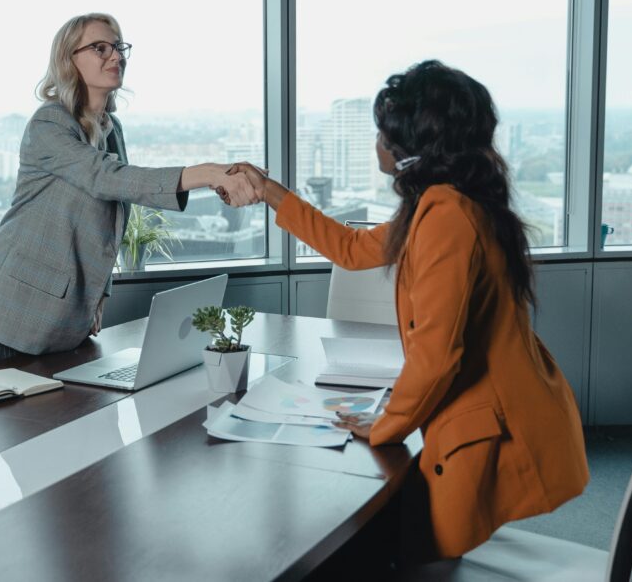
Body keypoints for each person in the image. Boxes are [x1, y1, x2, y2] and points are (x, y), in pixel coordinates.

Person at [228, 60, 588, 561]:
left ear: (407, 151)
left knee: (363, 548)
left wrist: (386, 424)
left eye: (384, 132)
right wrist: (269, 191)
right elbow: (351, 248)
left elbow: (439, 355)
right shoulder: (448, 202)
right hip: (492, 416)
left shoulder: (446, 216)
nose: (377, 140)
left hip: (487, 434)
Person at [0, 13, 259, 361]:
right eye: (100, 48)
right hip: (17, 305)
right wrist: (210, 172)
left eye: (119, 47)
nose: (117, 56)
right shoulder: (49, 123)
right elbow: (107, 177)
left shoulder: (111, 128)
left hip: (72, 312)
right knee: (23, 414)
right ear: (68, 59)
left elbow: (116, 214)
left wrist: (99, 294)